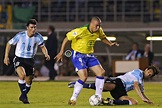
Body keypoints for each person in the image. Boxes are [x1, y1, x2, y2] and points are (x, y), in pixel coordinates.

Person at [54, 16, 119, 105]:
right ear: (91, 24)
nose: (98, 28)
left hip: (89, 55)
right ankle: (73, 98)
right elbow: (66, 38)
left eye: (99, 26)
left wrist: (110, 44)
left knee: (101, 72)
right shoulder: (81, 31)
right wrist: (61, 52)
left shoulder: (99, 31)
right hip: (78, 55)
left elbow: (103, 37)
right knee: (84, 77)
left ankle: (98, 97)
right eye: (96, 25)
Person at [3, 19, 50, 104]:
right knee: (22, 75)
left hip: (30, 60)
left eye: (35, 27)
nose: (33, 29)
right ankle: (24, 97)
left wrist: (46, 54)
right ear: (27, 27)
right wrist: (6, 56)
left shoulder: (38, 37)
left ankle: (23, 95)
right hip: (19, 58)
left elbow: (42, 47)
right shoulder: (20, 35)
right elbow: (9, 43)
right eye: (31, 27)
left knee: (29, 80)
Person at [68, 65, 160, 106]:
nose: (149, 74)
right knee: (107, 86)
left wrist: (148, 100)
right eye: (149, 72)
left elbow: (142, 92)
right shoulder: (138, 72)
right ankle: (80, 85)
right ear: (146, 69)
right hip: (119, 82)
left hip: (121, 91)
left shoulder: (142, 82)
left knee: (134, 102)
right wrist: (143, 98)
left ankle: (109, 102)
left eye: (150, 75)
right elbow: (136, 85)